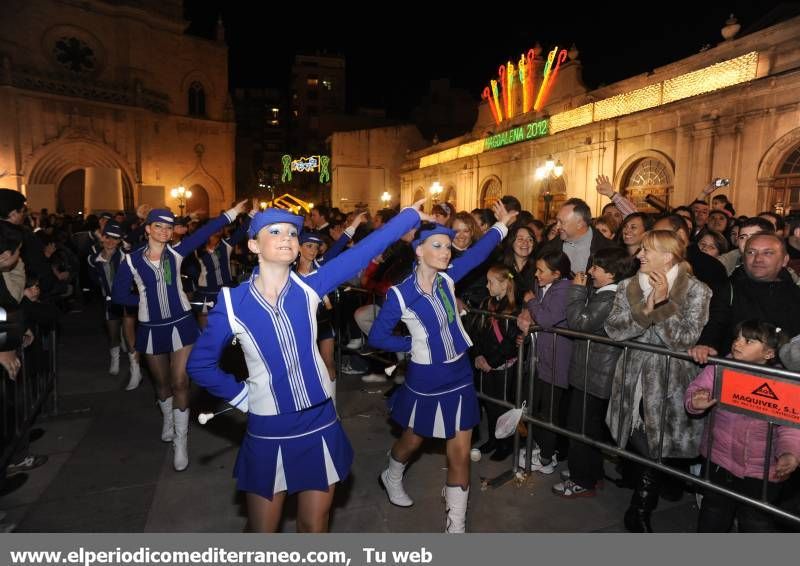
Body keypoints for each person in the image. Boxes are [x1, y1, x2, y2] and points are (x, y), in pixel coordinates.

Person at [187, 202, 429, 532]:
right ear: (254, 245)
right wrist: (242, 396)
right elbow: (199, 365)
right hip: (269, 427)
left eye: (291, 233)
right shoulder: (232, 303)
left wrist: (409, 217)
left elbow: (363, 253)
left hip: (320, 420)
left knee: (314, 527)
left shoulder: (310, 287)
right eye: (275, 231)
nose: (287, 237)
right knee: (264, 533)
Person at [368, 201, 518, 533]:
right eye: (438, 246)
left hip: (460, 373)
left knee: (460, 451)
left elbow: (478, 255)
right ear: (419, 251)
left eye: (448, 247)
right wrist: (410, 345)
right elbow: (377, 336)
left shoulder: (448, 279)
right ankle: (391, 474)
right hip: (426, 377)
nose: (447, 252)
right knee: (414, 438)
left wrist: (502, 225)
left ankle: (456, 526)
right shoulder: (400, 294)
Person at [112, 201, 247, 471]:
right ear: (148, 228)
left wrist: (232, 213)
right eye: (158, 226)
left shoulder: (176, 252)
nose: (163, 231)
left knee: (180, 382)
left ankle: (181, 442)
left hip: (182, 324)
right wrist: (141, 303)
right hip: (151, 329)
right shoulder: (131, 260)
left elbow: (206, 230)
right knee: (162, 385)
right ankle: (168, 419)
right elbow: (117, 295)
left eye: (168, 227)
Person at [604, 230, 712, 532]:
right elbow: (614, 330)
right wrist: (646, 308)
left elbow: (685, 339)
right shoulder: (627, 287)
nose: (639, 255)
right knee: (643, 441)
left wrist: (663, 305)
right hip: (631, 377)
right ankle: (641, 504)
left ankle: (640, 506)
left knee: (658, 444)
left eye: (646, 250)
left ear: (668, 256)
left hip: (670, 381)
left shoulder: (696, 291)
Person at [685, 320, 799, 531]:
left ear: (769, 354)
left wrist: (789, 454)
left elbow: (790, 426)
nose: (737, 343)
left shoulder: (783, 382)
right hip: (719, 461)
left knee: (755, 521)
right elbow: (697, 388)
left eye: (748, 341)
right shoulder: (721, 367)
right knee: (713, 514)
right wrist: (695, 401)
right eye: (737, 337)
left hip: (760, 472)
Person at [553, 247, 637, 498]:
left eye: (596, 268)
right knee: (585, 427)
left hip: (596, 373)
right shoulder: (605, 293)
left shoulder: (609, 298)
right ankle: (589, 471)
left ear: (611, 274)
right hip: (591, 371)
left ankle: (583, 479)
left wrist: (576, 290)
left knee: (582, 428)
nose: (590, 272)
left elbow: (579, 323)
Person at [516, 249, 574, 474]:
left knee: (549, 411)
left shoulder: (564, 289)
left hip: (556, 360)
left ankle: (547, 458)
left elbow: (547, 319)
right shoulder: (545, 286)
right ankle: (540, 448)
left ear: (557, 273)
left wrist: (530, 302)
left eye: (541, 271)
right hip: (542, 358)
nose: (536, 274)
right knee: (539, 408)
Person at [471, 264, 520, 461]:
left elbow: (510, 342)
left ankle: (505, 443)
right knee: (490, 405)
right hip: (485, 363)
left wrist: (491, 361)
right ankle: (492, 438)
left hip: (502, 367)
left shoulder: (515, 309)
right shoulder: (486, 303)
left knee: (503, 406)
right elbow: (475, 331)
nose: (487, 285)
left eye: (491, 282)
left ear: (505, 284)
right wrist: (477, 355)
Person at [87, 221, 142, 389]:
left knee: (129, 334)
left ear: (119, 241)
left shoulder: (126, 256)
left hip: (126, 300)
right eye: (107, 237)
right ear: (101, 238)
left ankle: (135, 370)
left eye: (115, 239)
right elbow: (94, 280)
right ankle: (115, 359)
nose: (110, 241)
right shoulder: (93, 259)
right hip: (109, 301)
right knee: (112, 334)